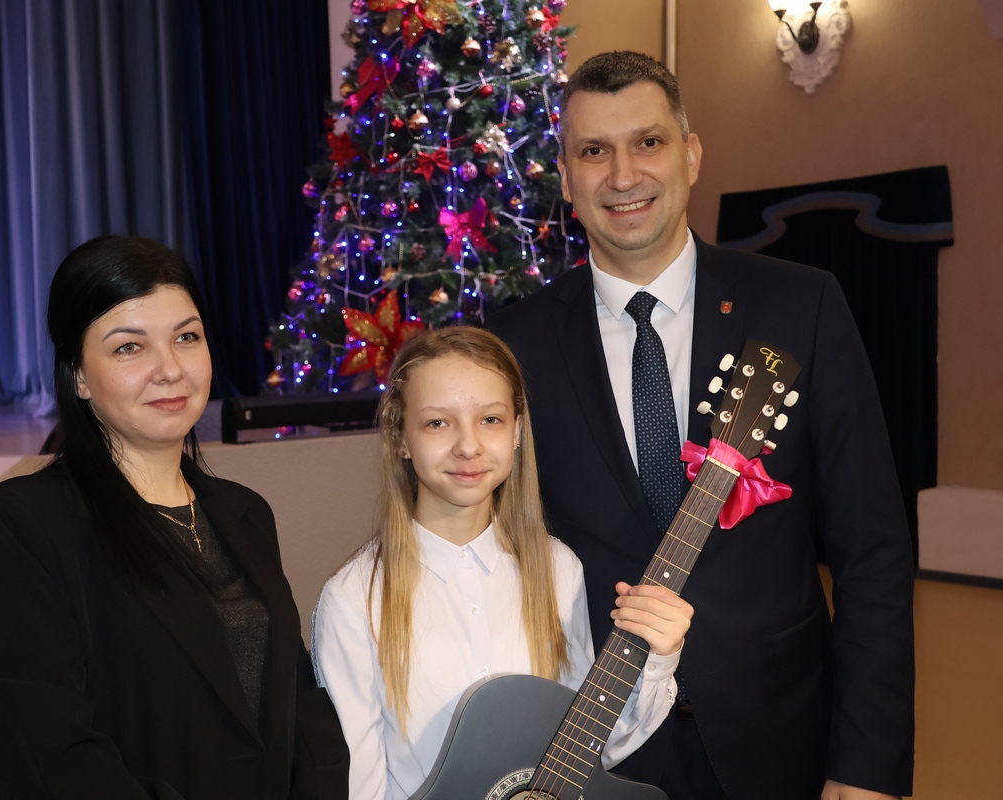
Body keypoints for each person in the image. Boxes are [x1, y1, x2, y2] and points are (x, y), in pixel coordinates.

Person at [488, 52, 915, 800]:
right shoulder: (512, 346)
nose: (623, 175)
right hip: (598, 744)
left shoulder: (801, 308)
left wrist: (866, 765)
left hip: (779, 736)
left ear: (690, 154)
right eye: (594, 151)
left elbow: (872, 552)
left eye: (648, 142)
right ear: (565, 179)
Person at [0, 235, 349, 799]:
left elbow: (299, 701)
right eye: (129, 347)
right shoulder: (24, 525)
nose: (170, 369)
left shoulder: (244, 512)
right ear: (78, 375)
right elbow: (44, 752)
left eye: (186, 337)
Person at [310, 327, 694, 799]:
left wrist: (657, 658)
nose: (468, 446)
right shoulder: (354, 600)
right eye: (437, 423)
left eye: (490, 419)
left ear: (515, 431)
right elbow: (359, 787)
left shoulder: (557, 568)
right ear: (400, 437)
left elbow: (588, 750)